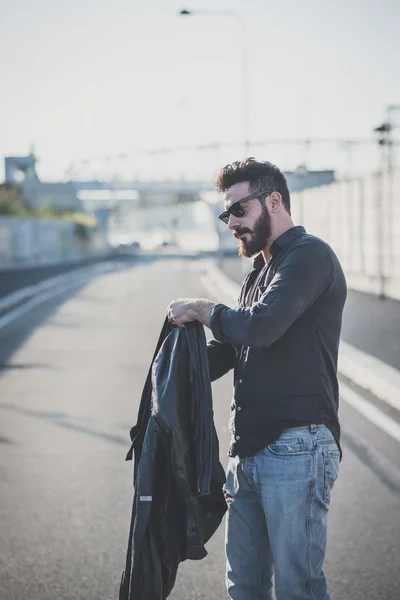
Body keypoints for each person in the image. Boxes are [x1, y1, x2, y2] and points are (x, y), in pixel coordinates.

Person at [167, 158, 347, 600]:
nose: (232, 223)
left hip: (297, 448)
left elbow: (260, 328)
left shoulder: (309, 256)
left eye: (239, 210)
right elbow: (232, 348)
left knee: (296, 589)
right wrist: (170, 367)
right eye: (226, 214)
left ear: (274, 200)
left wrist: (205, 309)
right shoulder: (256, 277)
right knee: (243, 587)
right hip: (246, 453)